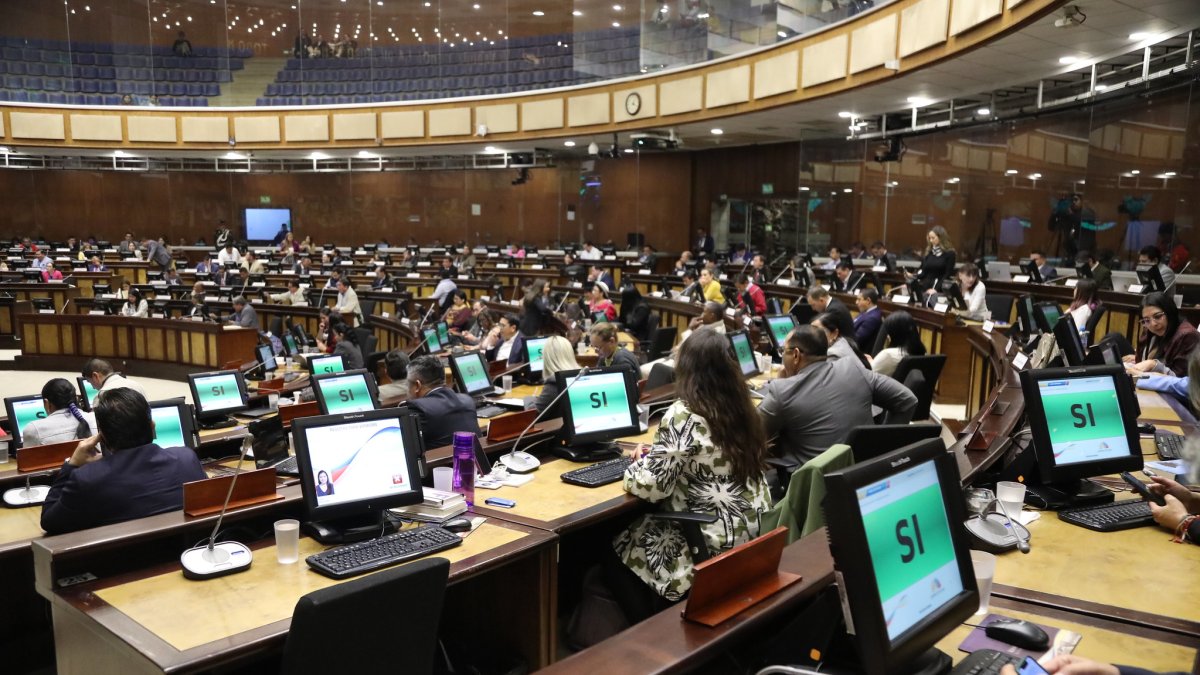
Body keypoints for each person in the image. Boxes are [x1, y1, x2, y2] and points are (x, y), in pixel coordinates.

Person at [609, 329, 770, 622]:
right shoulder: (744, 407)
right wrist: (659, 456)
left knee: (612, 546)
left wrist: (633, 468)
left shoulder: (684, 414)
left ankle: (656, 637)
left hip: (708, 540)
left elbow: (652, 487)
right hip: (747, 534)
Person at [40, 388, 207, 535]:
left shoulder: (86, 478)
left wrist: (71, 465)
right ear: (153, 427)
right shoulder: (186, 458)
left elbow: (49, 521)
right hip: (188, 555)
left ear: (102, 437)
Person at [758, 325, 917, 467]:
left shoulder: (782, 391)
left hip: (813, 489)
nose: (782, 356)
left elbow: (749, 434)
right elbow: (907, 400)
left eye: (783, 351)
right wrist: (884, 447)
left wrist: (782, 382)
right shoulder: (853, 369)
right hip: (863, 475)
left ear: (796, 355)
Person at [403, 355, 479, 449]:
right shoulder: (467, 400)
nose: (407, 389)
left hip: (442, 464)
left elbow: (406, 446)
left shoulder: (418, 409)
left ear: (418, 385)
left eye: (407, 384)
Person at [1116, 292, 1199, 377]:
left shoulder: (1188, 336)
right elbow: (1140, 362)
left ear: (1169, 312)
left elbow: (1181, 382)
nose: (1153, 324)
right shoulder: (1148, 329)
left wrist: (1153, 365)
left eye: (1158, 316)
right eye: (1147, 320)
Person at [20, 378, 97, 448]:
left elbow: (29, 461)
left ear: (46, 403)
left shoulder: (34, 428)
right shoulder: (96, 418)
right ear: (76, 398)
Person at [870, 310, 927, 377]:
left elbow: (868, 375)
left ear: (894, 333)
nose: (888, 335)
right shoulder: (923, 353)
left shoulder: (888, 354)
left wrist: (869, 361)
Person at [533, 336, 579, 418]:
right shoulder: (579, 375)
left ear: (547, 357)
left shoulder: (554, 383)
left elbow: (532, 415)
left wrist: (531, 398)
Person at [906, 226, 956, 295]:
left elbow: (947, 274)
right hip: (925, 287)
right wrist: (912, 276)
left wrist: (936, 289)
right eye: (929, 238)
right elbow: (924, 273)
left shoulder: (950, 254)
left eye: (933, 238)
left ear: (941, 238)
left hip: (938, 289)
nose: (931, 241)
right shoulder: (929, 252)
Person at [81, 358, 146, 397]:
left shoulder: (101, 396)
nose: (93, 387)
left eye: (90, 382)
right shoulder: (137, 386)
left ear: (95, 376)